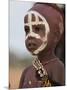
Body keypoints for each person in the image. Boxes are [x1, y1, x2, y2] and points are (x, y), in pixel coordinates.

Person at [19, 3, 65, 88]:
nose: (30, 35)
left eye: (37, 29)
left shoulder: (59, 69)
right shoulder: (26, 72)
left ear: (56, 35)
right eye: (27, 30)